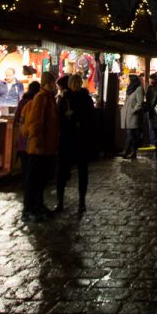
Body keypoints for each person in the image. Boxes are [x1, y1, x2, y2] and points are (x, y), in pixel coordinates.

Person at [21, 71, 59, 222]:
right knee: (33, 180)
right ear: (45, 84)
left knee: (41, 180)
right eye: (50, 83)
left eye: (53, 83)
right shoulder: (41, 98)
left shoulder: (50, 99)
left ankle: (38, 205)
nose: (53, 86)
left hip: (47, 147)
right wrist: (38, 144)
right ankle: (29, 209)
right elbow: (36, 123)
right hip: (38, 148)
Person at [55, 73, 95, 214]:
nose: (77, 85)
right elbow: (58, 117)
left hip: (82, 139)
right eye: (74, 82)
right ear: (70, 84)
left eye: (79, 82)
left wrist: (77, 116)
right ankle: (60, 201)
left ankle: (82, 201)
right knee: (62, 172)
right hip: (67, 139)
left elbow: (91, 118)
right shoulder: (64, 99)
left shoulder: (86, 99)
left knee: (82, 173)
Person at [120, 74, 144, 160]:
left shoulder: (139, 89)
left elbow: (140, 102)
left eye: (129, 79)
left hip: (133, 115)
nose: (127, 80)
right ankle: (133, 152)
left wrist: (133, 111)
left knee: (130, 134)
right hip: (127, 114)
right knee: (132, 135)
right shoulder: (130, 89)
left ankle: (125, 151)